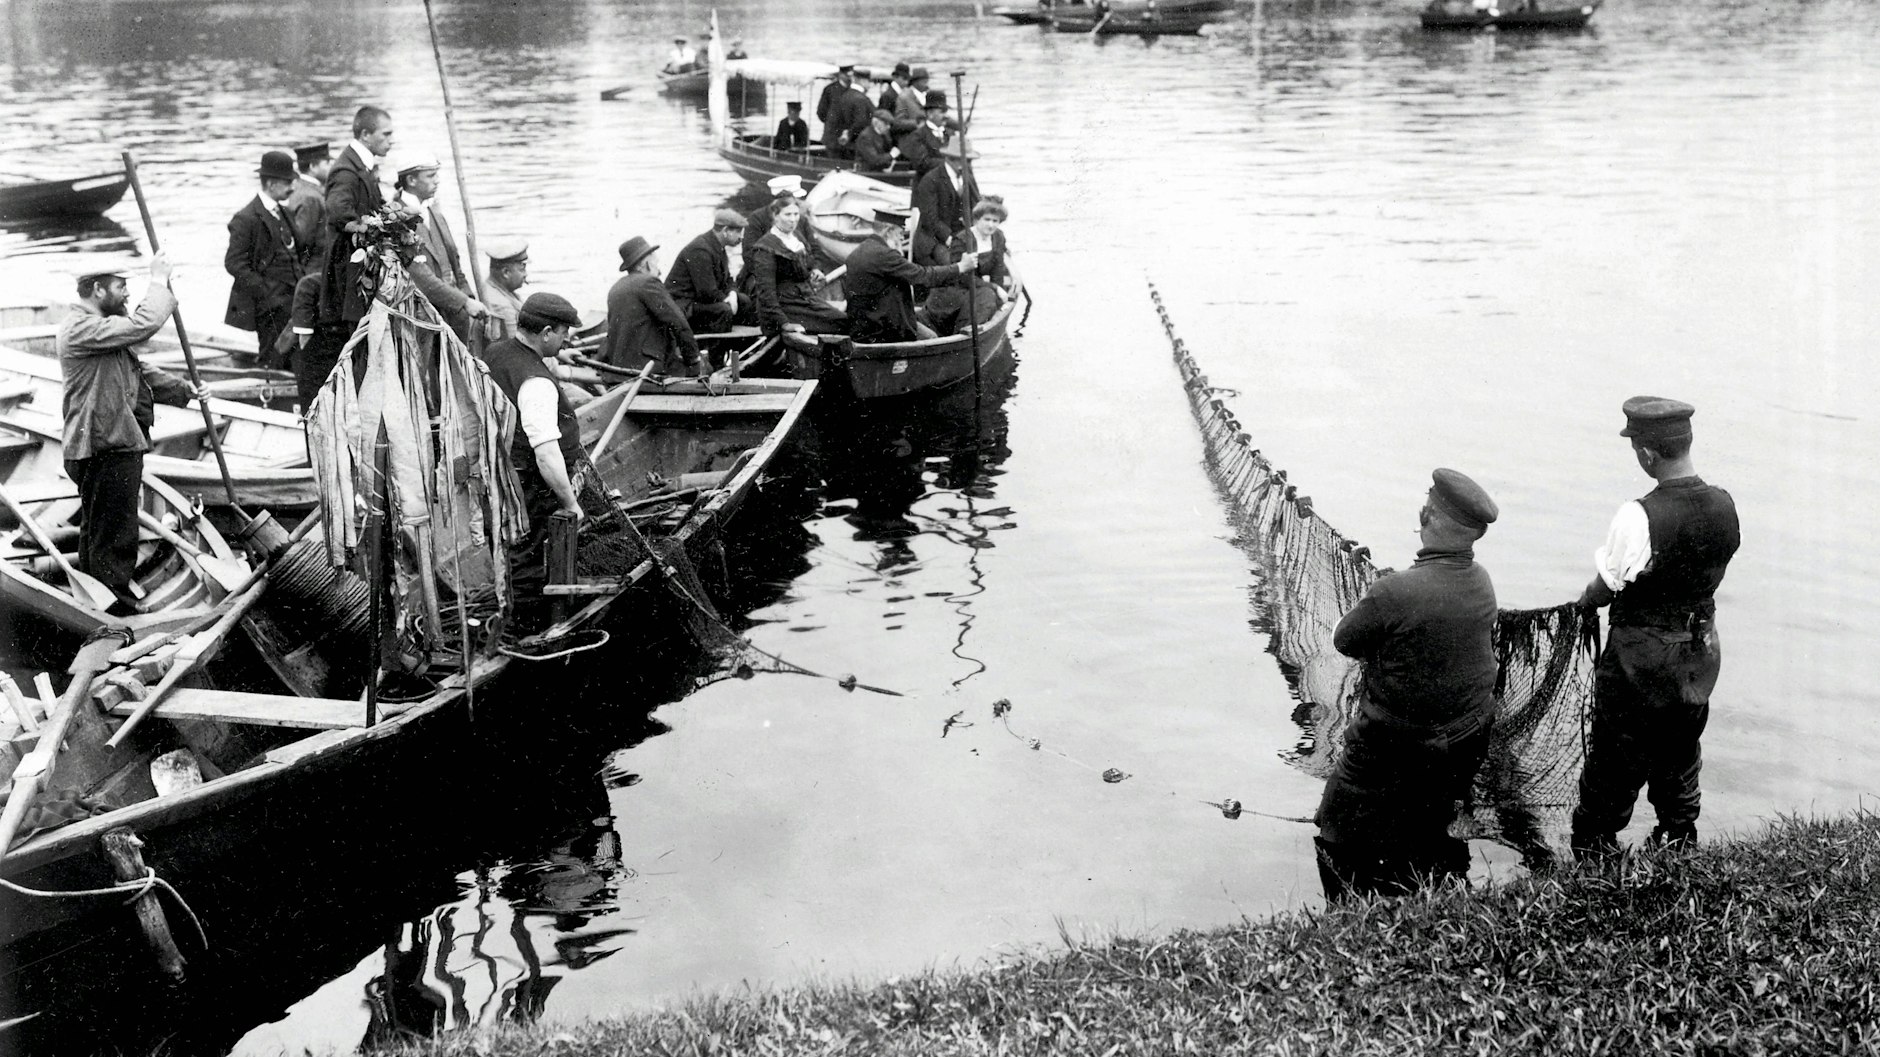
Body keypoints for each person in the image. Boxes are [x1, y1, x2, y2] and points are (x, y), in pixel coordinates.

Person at [1313, 469, 1501, 903]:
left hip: (1393, 748)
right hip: (1461, 743)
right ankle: (1432, 894)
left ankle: (1349, 922)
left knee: (1334, 827)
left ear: (1426, 514)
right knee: (1427, 826)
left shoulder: (1393, 591)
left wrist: (1384, 596)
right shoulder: (1482, 580)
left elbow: (1345, 640)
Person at [1570, 397, 1740, 860]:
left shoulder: (1638, 514)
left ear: (1647, 454)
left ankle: (1594, 854)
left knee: (1614, 758)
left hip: (1641, 659)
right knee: (1680, 748)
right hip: (1699, 652)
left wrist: (1583, 604)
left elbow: (1606, 586)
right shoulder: (1724, 505)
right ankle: (1679, 841)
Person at [57, 257, 208, 614]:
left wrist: (186, 390)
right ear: (97, 289)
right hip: (103, 444)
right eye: (121, 285)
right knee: (115, 532)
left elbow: (139, 370)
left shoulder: (101, 329)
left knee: (101, 529)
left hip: (108, 442)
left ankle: (98, 597)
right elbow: (144, 324)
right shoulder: (80, 328)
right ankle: (114, 607)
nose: (127, 292)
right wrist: (159, 281)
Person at [480, 293, 587, 584]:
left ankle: (515, 609)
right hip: (529, 487)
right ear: (546, 333)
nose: (567, 340)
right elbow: (546, 454)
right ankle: (527, 624)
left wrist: (556, 354)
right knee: (529, 560)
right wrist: (570, 503)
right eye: (564, 335)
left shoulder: (495, 352)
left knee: (513, 552)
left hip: (499, 474)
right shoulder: (536, 382)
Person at [843, 207, 977, 344]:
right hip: (883, 329)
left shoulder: (861, 250)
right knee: (932, 339)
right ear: (888, 231)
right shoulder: (885, 255)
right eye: (900, 233)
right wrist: (960, 267)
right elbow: (922, 277)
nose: (902, 238)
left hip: (863, 324)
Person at [391, 151, 486, 342]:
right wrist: (464, 302)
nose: (437, 181)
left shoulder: (433, 211)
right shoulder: (396, 220)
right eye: (430, 176)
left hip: (454, 316)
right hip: (423, 321)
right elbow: (421, 278)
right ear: (411, 180)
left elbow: (455, 265)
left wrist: (470, 298)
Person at [222, 150, 305, 367]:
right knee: (272, 358)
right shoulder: (246, 218)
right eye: (287, 182)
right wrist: (265, 292)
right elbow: (234, 263)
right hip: (269, 306)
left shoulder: (284, 212)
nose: (292, 187)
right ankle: (268, 395)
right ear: (270, 183)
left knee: (294, 356)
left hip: (294, 301)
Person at [318, 105, 394, 332]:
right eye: (386, 134)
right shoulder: (346, 172)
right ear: (365, 135)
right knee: (361, 338)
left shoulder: (361, 165)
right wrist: (377, 227)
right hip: (351, 272)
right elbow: (339, 214)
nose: (391, 140)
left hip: (361, 268)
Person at [741, 194, 846, 338]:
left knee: (843, 320)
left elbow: (808, 262)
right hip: (784, 307)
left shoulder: (796, 237)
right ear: (775, 216)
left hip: (803, 298)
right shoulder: (765, 248)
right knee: (840, 323)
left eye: (796, 214)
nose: (793, 219)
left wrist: (814, 271)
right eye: (787, 214)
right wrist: (784, 323)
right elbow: (766, 293)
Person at [602, 236, 706, 379]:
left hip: (618, 368)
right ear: (647, 264)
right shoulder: (648, 282)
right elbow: (677, 322)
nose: (660, 271)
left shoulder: (616, 288)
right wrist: (694, 360)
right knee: (708, 370)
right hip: (647, 369)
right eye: (656, 264)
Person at [926, 197, 1011, 334]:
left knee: (990, 297)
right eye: (987, 219)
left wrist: (1000, 293)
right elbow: (962, 277)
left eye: (995, 221)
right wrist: (994, 288)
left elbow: (998, 269)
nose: (991, 225)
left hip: (977, 286)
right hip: (956, 288)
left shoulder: (998, 236)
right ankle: (963, 332)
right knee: (987, 296)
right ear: (977, 219)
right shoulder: (962, 239)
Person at [666, 208, 745, 334]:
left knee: (744, 301)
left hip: (700, 301)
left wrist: (732, 294)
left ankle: (744, 344)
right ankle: (714, 349)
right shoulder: (700, 250)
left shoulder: (719, 247)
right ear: (725, 231)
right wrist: (727, 300)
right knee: (723, 310)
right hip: (684, 305)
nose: (741, 237)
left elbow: (728, 279)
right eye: (738, 232)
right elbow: (706, 292)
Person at [910, 137, 979, 266]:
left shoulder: (967, 177)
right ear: (955, 160)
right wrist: (949, 238)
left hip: (962, 236)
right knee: (951, 263)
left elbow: (977, 206)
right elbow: (929, 218)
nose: (969, 165)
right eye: (967, 161)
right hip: (935, 239)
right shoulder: (930, 180)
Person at [284, 141, 332, 267]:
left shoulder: (298, 187)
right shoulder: (311, 197)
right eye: (326, 163)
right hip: (314, 267)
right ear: (312, 167)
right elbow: (304, 240)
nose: (331, 167)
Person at [899, 90, 959, 176]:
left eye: (946, 111)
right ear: (930, 113)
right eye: (942, 112)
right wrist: (951, 163)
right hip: (927, 185)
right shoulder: (917, 136)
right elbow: (922, 164)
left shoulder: (950, 134)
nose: (946, 116)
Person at [820, 65, 873, 161]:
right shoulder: (860, 99)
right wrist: (849, 133)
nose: (870, 85)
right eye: (869, 82)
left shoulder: (845, 95)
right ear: (862, 81)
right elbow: (860, 123)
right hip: (846, 145)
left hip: (834, 142)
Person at [481, 238, 529, 343]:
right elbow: (518, 348)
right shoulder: (501, 305)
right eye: (522, 269)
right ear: (506, 273)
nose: (526, 275)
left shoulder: (501, 291)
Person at [893, 68, 933, 133]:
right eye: (923, 81)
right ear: (915, 82)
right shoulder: (904, 97)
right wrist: (917, 123)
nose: (926, 84)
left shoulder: (930, 94)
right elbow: (898, 122)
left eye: (927, 81)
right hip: (913, 136)